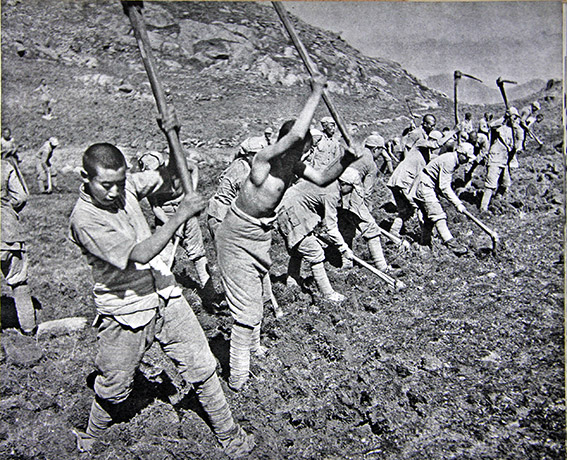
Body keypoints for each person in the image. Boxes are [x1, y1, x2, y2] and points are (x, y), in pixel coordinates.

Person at [68, 129, 254, 457]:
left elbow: (172, 178)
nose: (115, 191)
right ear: (85, 178)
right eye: (106, 185)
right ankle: (91, 436)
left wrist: (172, 135)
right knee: (115, 385)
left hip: (165, 293)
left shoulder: (125, 187)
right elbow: (139, 253)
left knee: (202, 366)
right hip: (126, 310)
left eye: (120, 183)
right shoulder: (85, 219)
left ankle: (231, 436)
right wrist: (180, 215)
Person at [215, 74, 360, 391]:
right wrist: (316, 93)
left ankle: (253, 349)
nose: (303, 157)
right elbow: (295, 134)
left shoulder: (294, 167)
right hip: (236, 236)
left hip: (259, 236)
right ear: (287, 146)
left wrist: (346, 158)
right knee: (246, 310)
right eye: (301, 150)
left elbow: (323, 178)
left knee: (256, 297)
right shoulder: (263, 161)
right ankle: (238, 379)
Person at [137, 149, 211, 289]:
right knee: (164, 256)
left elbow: (193, 168)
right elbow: (156, 208)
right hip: (165, 216)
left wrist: (191, 191)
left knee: (197, 253)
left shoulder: (174, 167)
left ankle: (210, 292)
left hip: (186, 209)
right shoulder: (148, 182)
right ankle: (166, 291)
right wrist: (173, 225)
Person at [278, 178, 353, 303]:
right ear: (344, 183)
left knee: (297, 249)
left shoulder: (328, 182)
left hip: (285, 208)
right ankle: (328, 294)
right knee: (315, 252)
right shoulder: (332, 193)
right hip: (293, 213)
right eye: (352, 187)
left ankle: (292, 283)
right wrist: (344, 248)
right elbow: (331, 227)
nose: (352, 191)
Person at [409, 142, 476, 255]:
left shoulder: (452, 159)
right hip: (425, 186)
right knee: (438, 214)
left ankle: (424, 244)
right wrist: (457, 203)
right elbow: (444, 186)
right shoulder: (450, 161)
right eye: (467, 158)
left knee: (428, 218)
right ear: (461, 154)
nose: (467, 161)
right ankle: (451, 244)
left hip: (426, 184)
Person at [387, 130, 447, 238]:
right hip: (403, 181)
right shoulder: (420, 143)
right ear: (432, 139)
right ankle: (426, 236)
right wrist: (454, 131)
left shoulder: (427, 155)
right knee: (419, 207)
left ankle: (393, 232)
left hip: (399, 182)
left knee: (406, 210)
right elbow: (436, 144)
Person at [1, 155, 36, 335]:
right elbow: (21, 196)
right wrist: (7, 208)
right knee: (18, 280)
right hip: (8, 232)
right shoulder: (5, 166)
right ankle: (29, 328)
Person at [207, 136, 266, 240]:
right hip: (221, 218)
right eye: (256, 154)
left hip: (225, 216)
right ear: (247, 155)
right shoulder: (242, 172)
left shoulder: (241, 163)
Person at [478, 108, 524, 213]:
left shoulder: (516, 131)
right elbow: (491, 126)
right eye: (513, 117)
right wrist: (504, 117)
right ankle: (483, 207)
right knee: (490, 184)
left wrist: (517, 130)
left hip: (505, 161)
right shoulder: (499, 128)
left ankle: (497, 200)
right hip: (495, 158)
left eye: (516, 118)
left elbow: (518, 145)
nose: (514, 120)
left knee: (506, 183)